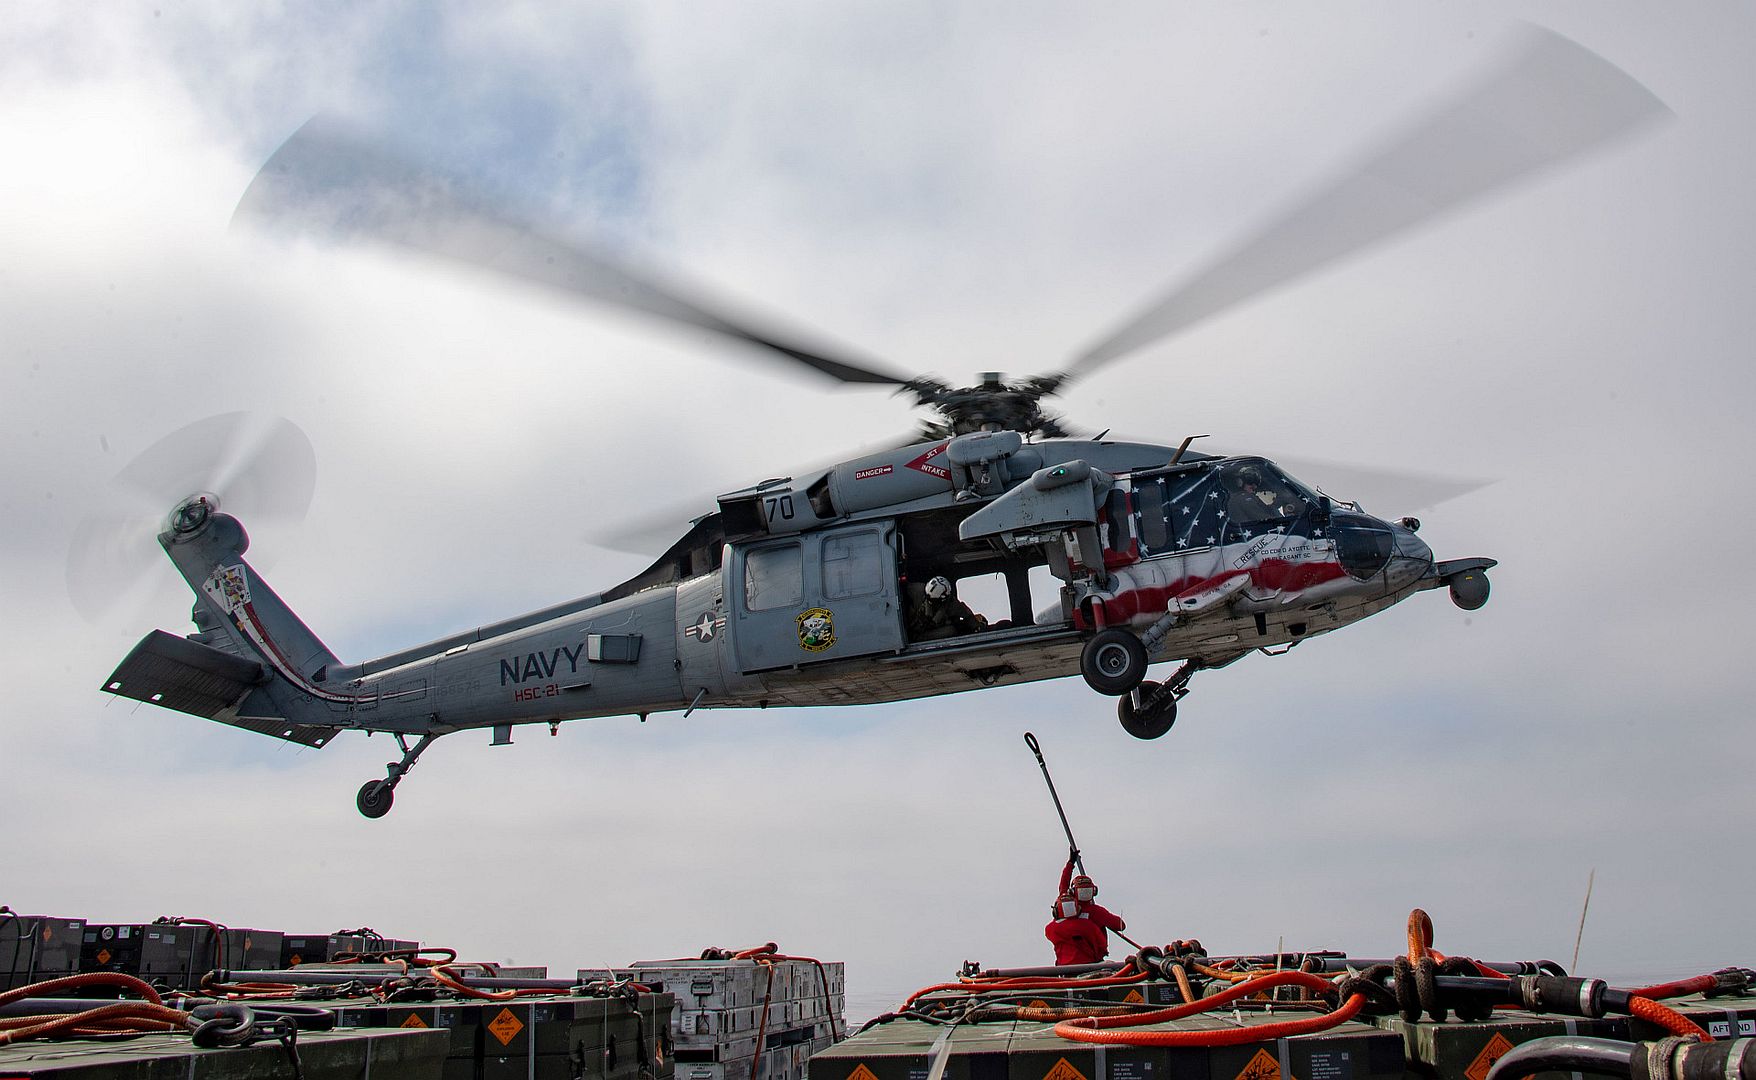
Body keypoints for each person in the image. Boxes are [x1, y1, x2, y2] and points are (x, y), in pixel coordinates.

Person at [1044, 848, 1126, 964]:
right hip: (1092, 962)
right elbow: (1120, 925)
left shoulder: (1056, 923)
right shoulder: (1096, 914)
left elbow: (1063, 885)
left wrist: (1070, 863)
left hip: (1064, 966)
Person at [907, 575, 985, 641]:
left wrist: (976, 627)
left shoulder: (952, 605)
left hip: (925, 633)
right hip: (910, 625)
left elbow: (967, 615)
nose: (929, 602)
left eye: (932, 600)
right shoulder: (916, 589)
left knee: (951, 631)